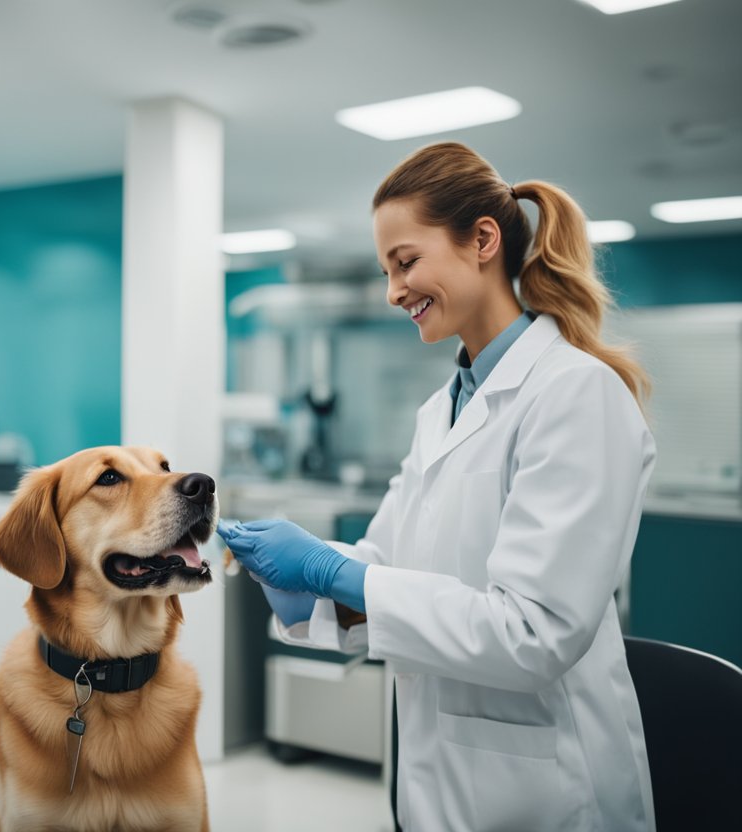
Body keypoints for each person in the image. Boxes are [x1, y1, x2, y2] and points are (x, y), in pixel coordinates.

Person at [218, 142, 656, 832]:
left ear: (483, 240)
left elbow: (534, 632)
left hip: (548, 793)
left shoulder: (577, 394)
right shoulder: (442, 411)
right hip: (435, 786)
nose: (394, 291)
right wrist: (314, 589)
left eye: (406, 262)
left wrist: (338, 575)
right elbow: (390, 571)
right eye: (387, 269)